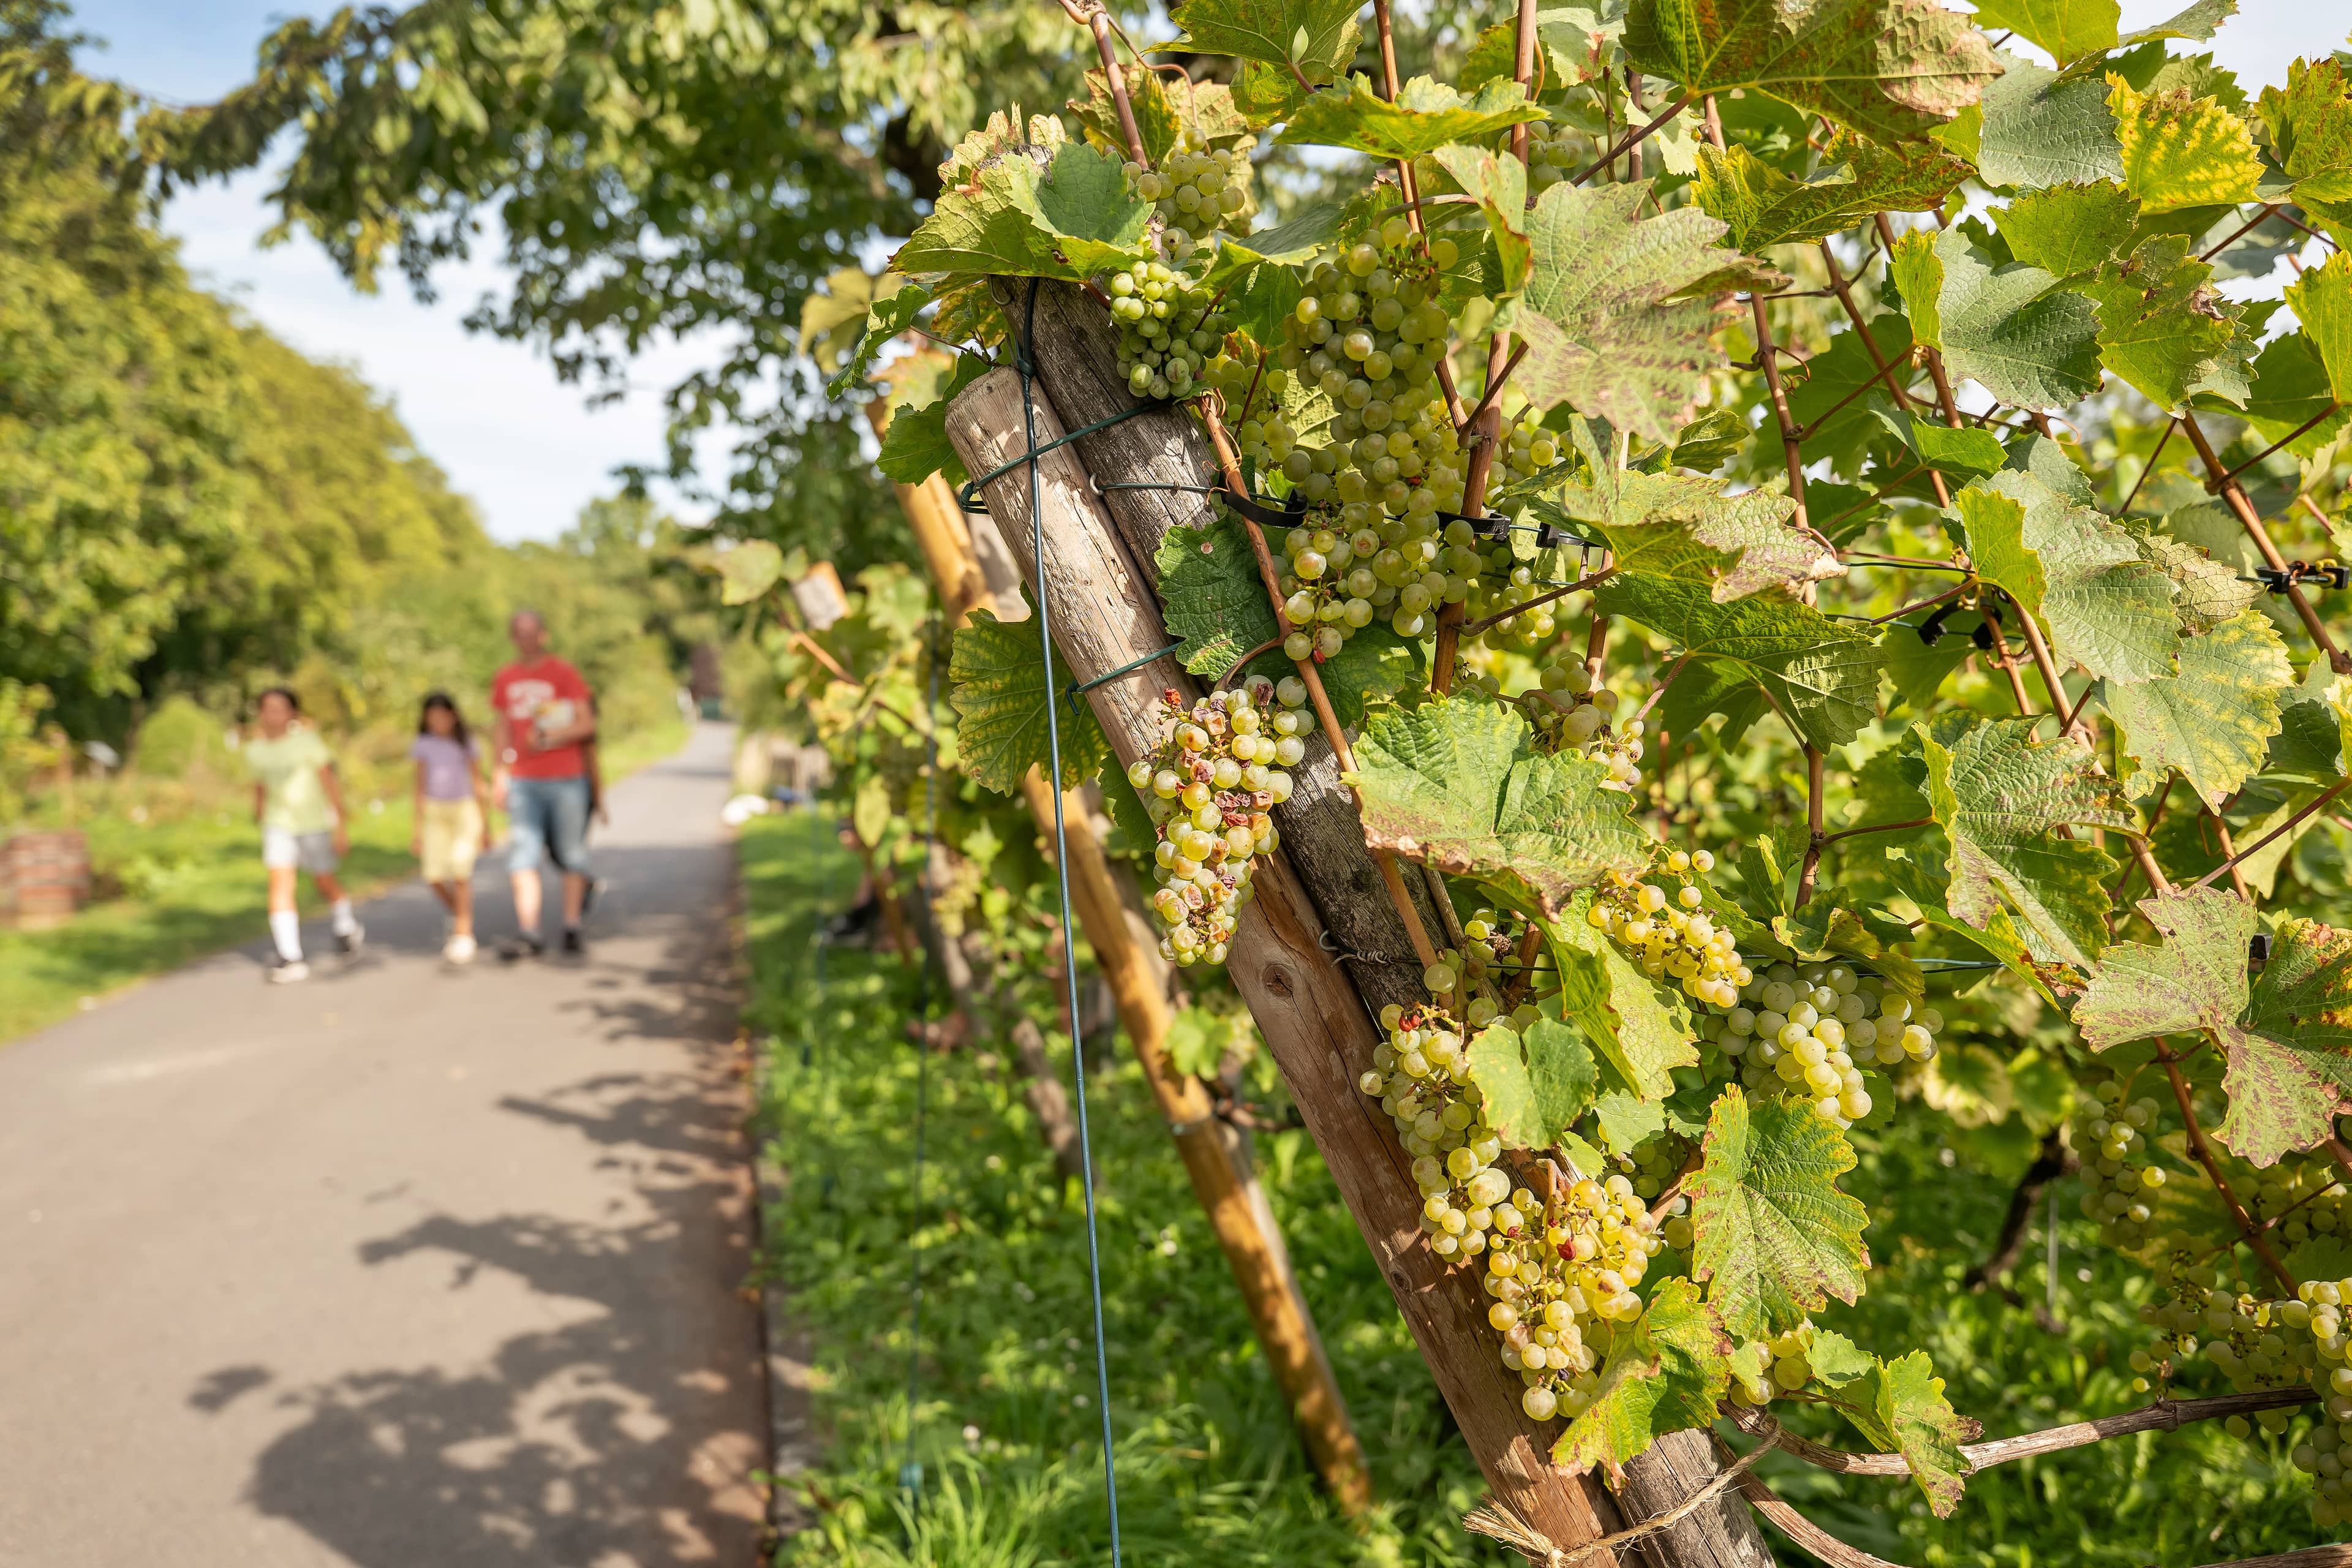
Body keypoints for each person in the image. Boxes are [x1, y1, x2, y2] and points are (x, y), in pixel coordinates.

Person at [489, 609, 597, 959]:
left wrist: (550, 737)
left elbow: (586, 724)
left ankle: (572, 926)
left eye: (532, 632)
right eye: (519, 633)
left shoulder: (563, 673)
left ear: (543, 635)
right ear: (513, 638)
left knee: (571, 853)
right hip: (523, 779)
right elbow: (503, 727)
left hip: (566, 778)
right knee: (523, 852)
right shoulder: (506, 678)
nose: (527, 639)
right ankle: (529, 931)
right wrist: (499, 773)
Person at [244, 687, 361, 984]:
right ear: (261, 713)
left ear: (292, 713)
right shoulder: (255, 750)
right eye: (268, 708)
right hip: (278, 824)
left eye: (280, 708)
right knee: (280, 883)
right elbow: (259, 785)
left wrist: (340, 823)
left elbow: (328, 780)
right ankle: (291, 957)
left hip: (313, 824)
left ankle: (346, 924)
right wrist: (257, 812)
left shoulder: (307, 742)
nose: (274, 714)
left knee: (324, 879)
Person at [410, 692, 493, 965]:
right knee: (433, 875)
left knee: (460, 868)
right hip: (435, 813)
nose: (437, 721)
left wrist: (487, 827)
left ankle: (463, 933)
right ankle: (461, 915)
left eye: (442, 715)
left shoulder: (466, 743)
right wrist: (416, 829)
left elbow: (479, 784)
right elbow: (419, 788)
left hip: (464, 810)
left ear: (453, 716)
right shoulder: (423, 745)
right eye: (431, 716)